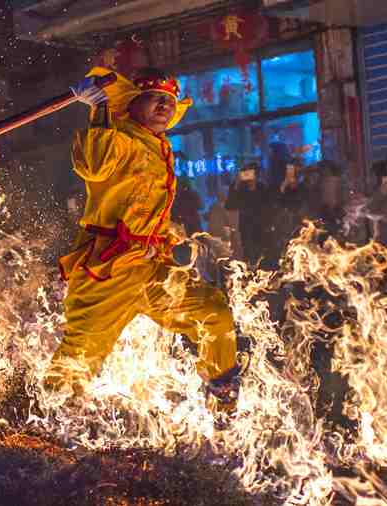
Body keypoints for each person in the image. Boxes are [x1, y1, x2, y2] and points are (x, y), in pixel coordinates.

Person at [47, 67, 240, 410]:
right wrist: (100, 108)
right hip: (108, 272)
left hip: (152, 268)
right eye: (155, 98)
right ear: (134, 104)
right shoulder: (119, 135)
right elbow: (94, 167)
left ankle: (223, 402)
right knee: (76, 364)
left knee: (214, 315)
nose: (165, 106)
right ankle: (43, 424)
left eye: (169, 100)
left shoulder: (160, 146)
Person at [225, 163, 275, 269]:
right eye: (245, 173)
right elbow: (229, 206)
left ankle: (262, 272)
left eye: (250, 172)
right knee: (248, 252)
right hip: (246, 226)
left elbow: (270, 206)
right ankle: (250, 272)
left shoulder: (263, 188)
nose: (247, 175)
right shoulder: (238, 188)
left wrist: (269, 224)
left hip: (262, 226)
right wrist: (236, 184)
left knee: (262, 253)